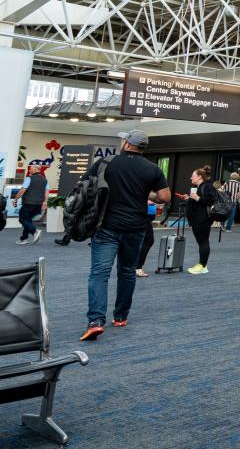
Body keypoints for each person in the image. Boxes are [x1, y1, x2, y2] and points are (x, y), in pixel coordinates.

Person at [82, 130, 170, 341]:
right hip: (136, 227)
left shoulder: (106, 163)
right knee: (128, 271)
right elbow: (164, 197)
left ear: (127, 144)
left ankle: (96, 321)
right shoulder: (152, 168)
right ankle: (121, 316)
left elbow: (84, 185)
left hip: (107, 226)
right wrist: (145, 192)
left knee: (99, 273)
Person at [180, 167, 216, 274]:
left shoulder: (207, 186)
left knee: (203, 242)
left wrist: (196, 198)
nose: (191, 177)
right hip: (197, 219)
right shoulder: (199, 186)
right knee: (201, 242)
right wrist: (189, 198)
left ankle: (202, 265)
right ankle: (202, 265)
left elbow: (210, 200)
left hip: (203, 219)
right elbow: (199, 200)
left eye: (193, 175)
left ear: (200, 176)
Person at [14, 165, 47, 245]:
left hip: (28, 203)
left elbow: (23, 190)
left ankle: (35, 231)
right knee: (28, 220)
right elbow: (46, 192)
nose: (29, 170)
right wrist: (45, 202)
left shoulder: (29, 178)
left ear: (36, 169)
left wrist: (15, 199)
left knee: (22, 219)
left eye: (31, 169)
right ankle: (23, 239)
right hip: (38, 204)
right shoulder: (45, 180)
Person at [135, 194, 160, 278]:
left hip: (147, 217)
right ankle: (137, 267)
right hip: (142, 217)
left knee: (146, 241)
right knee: (148, 240)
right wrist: (149, 202)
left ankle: (136, 266)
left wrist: (156, 204)